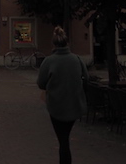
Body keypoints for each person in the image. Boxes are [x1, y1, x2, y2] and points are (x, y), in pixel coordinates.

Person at [36, 26, 87, 164]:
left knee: (63, 140)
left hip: (56, 106)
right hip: (74, 105)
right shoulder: (77, 59)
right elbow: (86, 79)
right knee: (65, 137)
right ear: (67, 42)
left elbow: (41, 83)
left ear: (54, 44)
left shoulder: (49, 61)